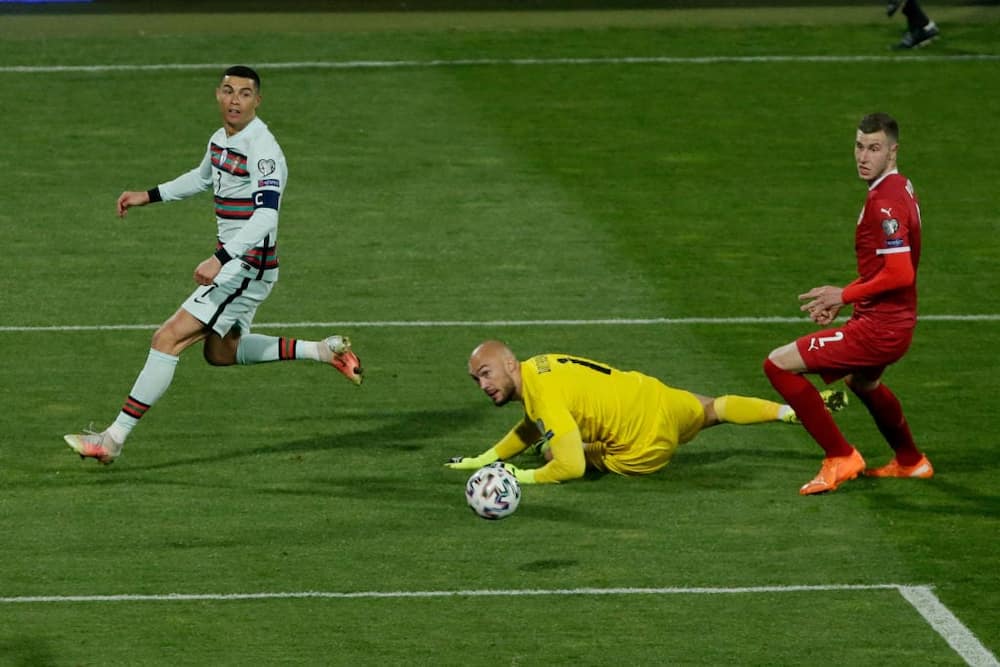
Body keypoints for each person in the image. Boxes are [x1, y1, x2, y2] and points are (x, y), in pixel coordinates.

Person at [64, 65, 362, 465]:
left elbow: (266, 217)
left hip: (246, 265)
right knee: (221, 352)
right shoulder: (221, 139)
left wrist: (222, 259)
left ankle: (112, 438)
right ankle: (323, 351)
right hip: (240, 264)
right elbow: (201, 177)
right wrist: (147, 196)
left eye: (244, 93)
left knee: (167, 338)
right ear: (218, 95)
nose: (234, 99)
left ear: (258, 100)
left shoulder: (264, 150)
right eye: (227, 91)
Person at [763, 112, 933, 496]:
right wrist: (848, 294)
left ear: (892, 151)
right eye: (859, 146)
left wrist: (844, 295)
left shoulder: (885, 204)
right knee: (864, 382)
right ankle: (911, 461)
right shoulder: (899, 188)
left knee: (777, 365)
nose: (863, 156)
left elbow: (900, 273)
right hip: (893, 321)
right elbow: (883, 269)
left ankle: (840, 455)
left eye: (874, 148)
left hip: (879, 329)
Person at [445, 340, 846, 484]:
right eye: (476, 380)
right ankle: (789, 412)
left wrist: (519, 475)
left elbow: (569, 468)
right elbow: (533, 421)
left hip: (643, 448)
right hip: (653, 397)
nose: (484, 386)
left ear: (510, 365)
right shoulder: (539, 368)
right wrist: (485, 458)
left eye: (486, 374)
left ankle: (789, 412)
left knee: (553, 453)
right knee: (715, 408)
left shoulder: (544, 400)